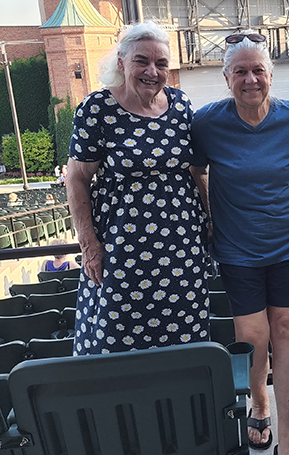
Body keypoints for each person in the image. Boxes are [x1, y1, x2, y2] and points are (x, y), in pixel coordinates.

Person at [191, 30, 289, 455]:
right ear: (226, 77)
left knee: (286, 329)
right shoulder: (208, 122)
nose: (250, 79)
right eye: (240, 71)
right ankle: (259, 400)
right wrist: (210, 214)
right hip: (238, 247)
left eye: (258, 69)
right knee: (252, 334)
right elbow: (197, 170)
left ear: (271, 74)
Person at [67, 21, 210, 355]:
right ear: (121, 62)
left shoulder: (180, 104)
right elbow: (77, 179)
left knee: (184, 338)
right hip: (121, 250)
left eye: (161, 64)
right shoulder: (96, 108)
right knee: (118, 337)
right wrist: (90, 245)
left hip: (182, 248)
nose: (152, 71)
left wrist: (211, 218)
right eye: (141, 61)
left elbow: (196, 170)